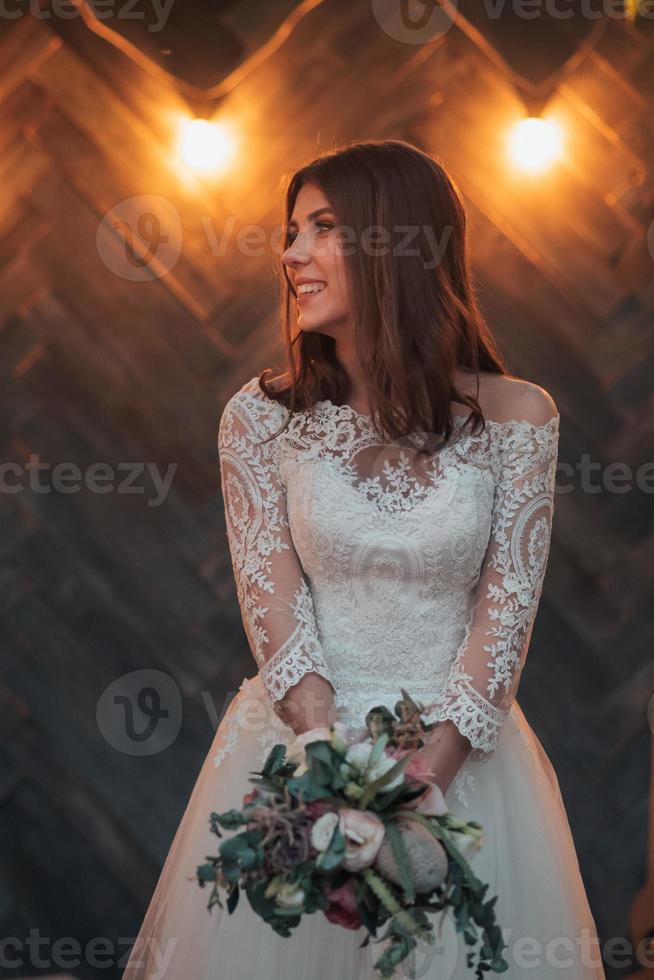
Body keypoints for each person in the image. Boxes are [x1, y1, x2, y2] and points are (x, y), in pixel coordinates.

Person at [122, 139, 606, 979]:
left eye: (322, 229)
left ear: (396, 244)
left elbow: (506, 610)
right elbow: (271, 605)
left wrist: (424, 783)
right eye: (290, 231)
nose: (291, 255)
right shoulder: (261, 418)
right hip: (299, 753)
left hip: (462, 763)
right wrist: (326, 767)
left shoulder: (519, 417)